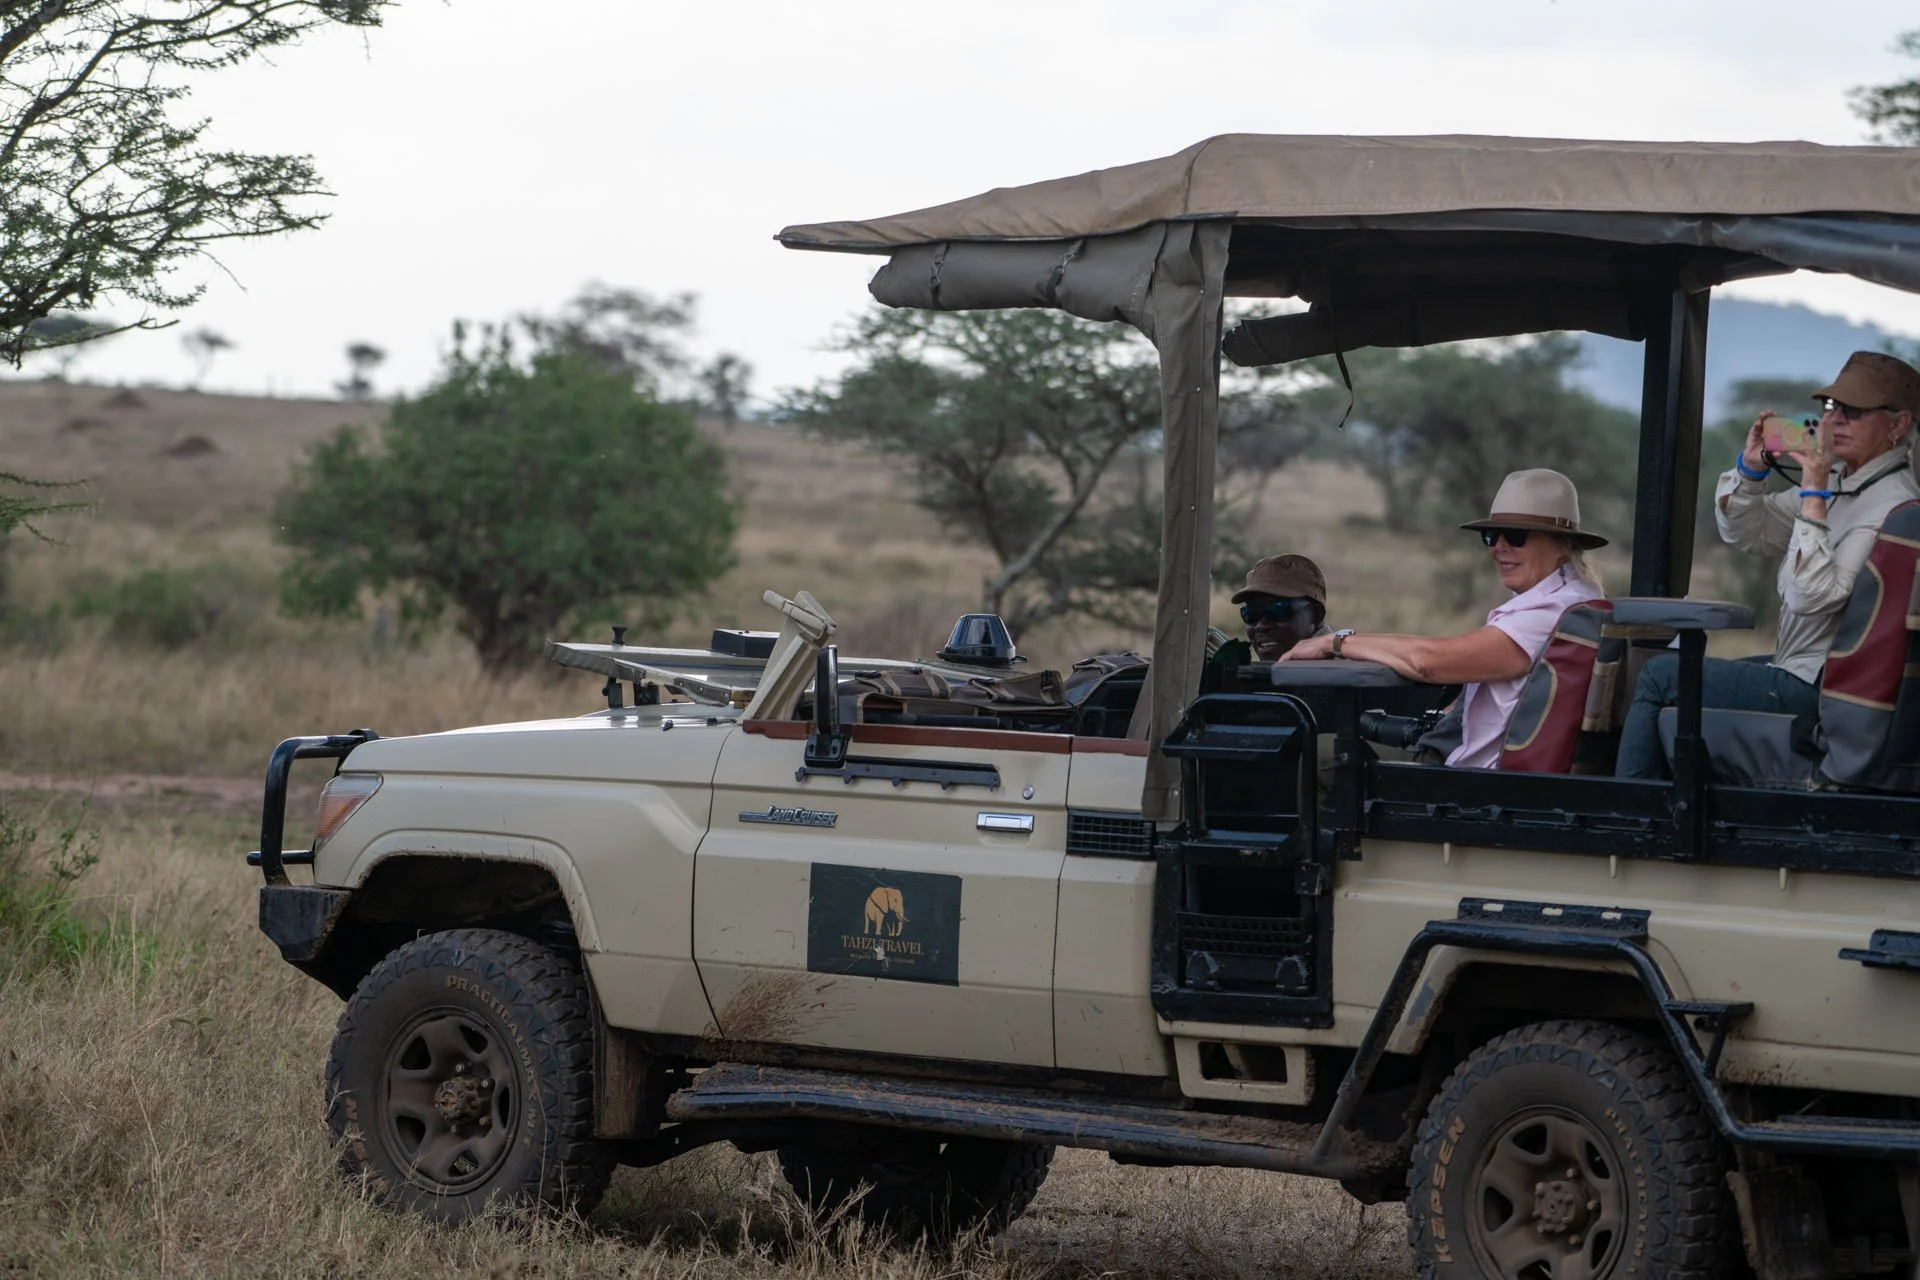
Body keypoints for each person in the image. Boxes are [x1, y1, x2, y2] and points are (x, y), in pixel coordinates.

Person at [1615, 351, 1920, 778]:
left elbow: (1809, 596)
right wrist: (1752, 472)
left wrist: (1813, 494)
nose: (1833, 421)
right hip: (1802, 669)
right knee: (1685, 674)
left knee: (1658, 678)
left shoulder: (1889, 505)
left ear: (1898, 425)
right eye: (1831, 408)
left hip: (1817, 685)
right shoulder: (1842, 482)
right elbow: (1748, 532)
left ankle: (1628, 824)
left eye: (1853, 412)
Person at [1277, 469, 1607, 769]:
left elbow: (1428, 662)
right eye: (1492, 537)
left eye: (1516, 536)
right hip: (1476, 766)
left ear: (1563, 544)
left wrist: (1334, 643)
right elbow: (1434, 652)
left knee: (1317, 753)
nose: (1499, 548)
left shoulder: (1549, 613)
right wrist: (1344, 643)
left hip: (1472, 783)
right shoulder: (1577, 597)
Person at [1219, 553, 1332, 663]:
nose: (1261, 626)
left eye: (1277, 611)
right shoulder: (1291, 670)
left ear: (1316, 615)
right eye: (1251, 614)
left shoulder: (1334, 672)